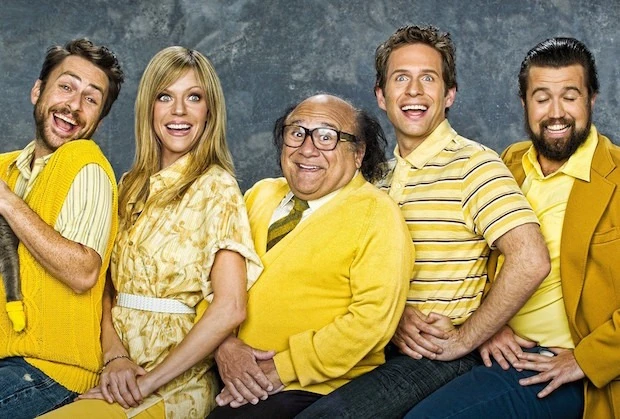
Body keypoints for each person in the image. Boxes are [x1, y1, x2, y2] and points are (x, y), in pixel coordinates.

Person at [297, 25, 551, 418]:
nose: (414, 91)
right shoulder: (374, 178)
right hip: (371, 345)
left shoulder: (474, 165)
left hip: (435, 357)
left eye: (428, 78)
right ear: (381, 95)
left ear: (449, 95)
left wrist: (465, 338)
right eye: (401, 78)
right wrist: (393, 315)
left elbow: (530, 259)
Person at [42, 46, 262, 418]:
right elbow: (106, 288)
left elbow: (230, 307)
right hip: (108, 364)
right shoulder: (129, 185)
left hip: (172, 380)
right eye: (165, 97)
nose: (179, 111)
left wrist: (146, 384)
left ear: (209, 111)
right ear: (149, 107)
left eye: (194, 97)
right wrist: (115, 357)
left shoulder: (217, 187)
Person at [407, 37, 620, 419]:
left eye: (570, 96)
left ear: (592, 99)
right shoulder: (509, 163)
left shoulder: (616, 175)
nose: (556, 113)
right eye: (542, 98)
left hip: (565, 367)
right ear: (524, 103)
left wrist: (586, 360)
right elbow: (477, 259)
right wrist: (491, 326)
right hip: (496, 350)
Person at [206, 94, 414, 418]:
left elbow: (371, 322)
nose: (307, 149)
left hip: (313, 390)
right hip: (226, 370)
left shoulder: (378, 214)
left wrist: (281, 369)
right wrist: (222, 345)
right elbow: (209, 278)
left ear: (358, 153)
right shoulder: (259, 195)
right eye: (297, 133)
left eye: (327, 137)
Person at [0, 38, 123, 418]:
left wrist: (7, 202)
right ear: (38, 91)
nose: (74, 105)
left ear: (99, 119)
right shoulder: (5, 168)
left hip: (51, 371)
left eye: (91, 99)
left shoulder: (85, 164)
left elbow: (84, 272)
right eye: (66, 86)